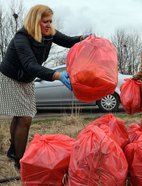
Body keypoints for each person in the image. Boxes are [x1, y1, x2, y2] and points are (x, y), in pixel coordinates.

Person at [0, 4, 88, 169]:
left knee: (20, 116)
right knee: (25, 117)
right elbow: (30, 64)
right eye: (45, 21)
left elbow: (69, 41)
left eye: (50, 21)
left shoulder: (49, 33)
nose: (49, 24)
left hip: (26, 78)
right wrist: (57, 75)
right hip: (10, 77)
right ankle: (20, 161)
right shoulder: (22, 38)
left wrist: (84, 39)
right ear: (35, 22)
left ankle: (13, 151)